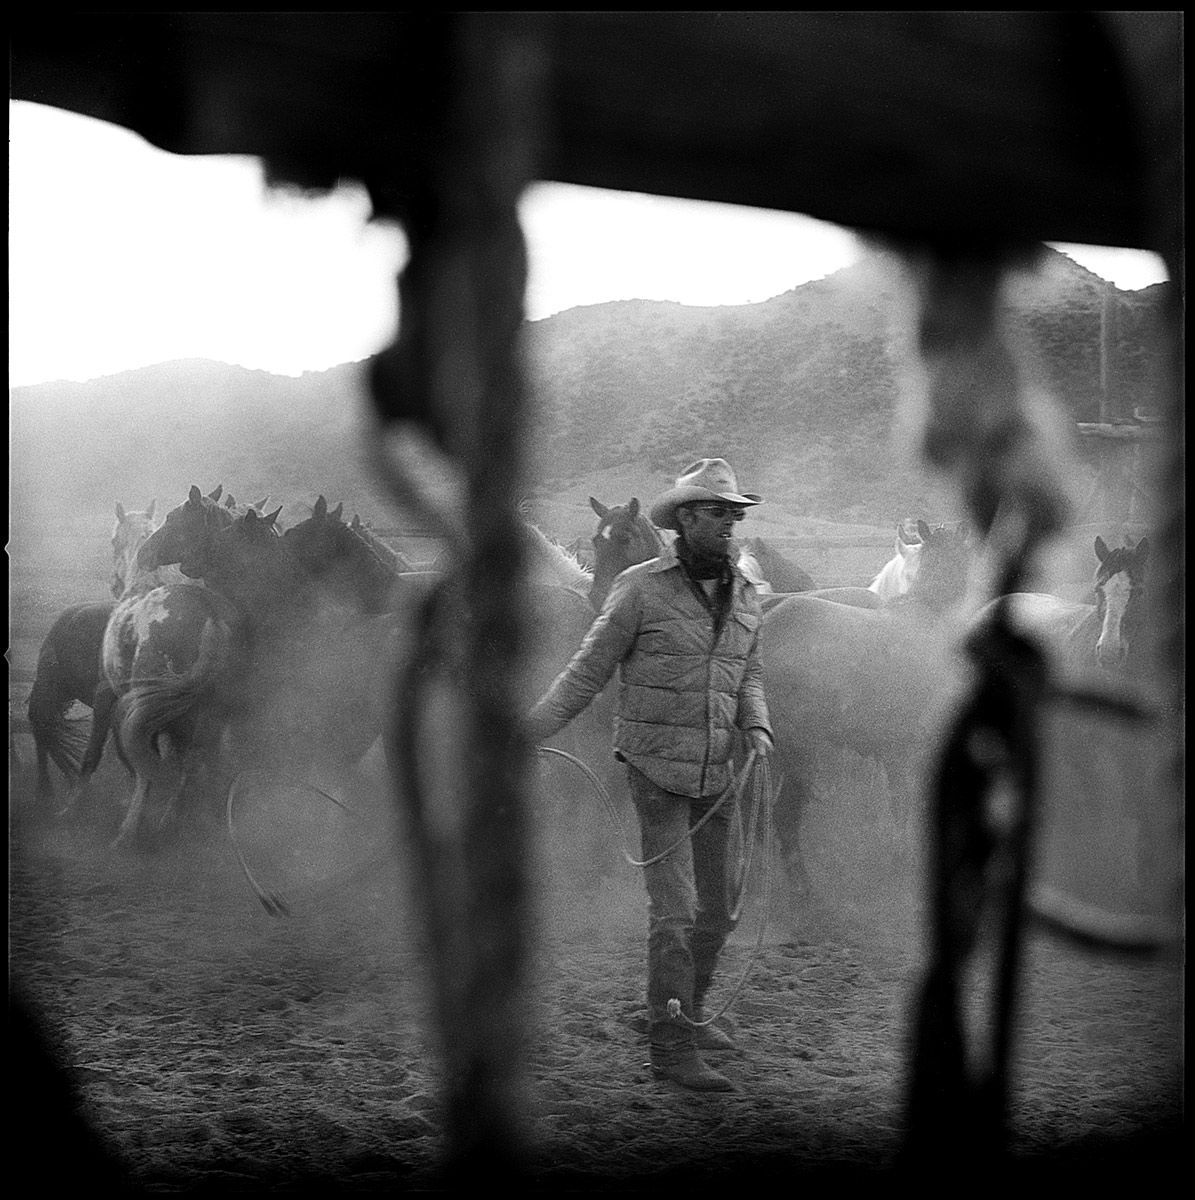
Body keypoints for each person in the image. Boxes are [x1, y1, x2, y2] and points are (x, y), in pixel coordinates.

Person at [528, 458, 774, 1092]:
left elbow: (747, 674)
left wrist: (759, 726)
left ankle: (685, 1014)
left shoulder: (745, 591)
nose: (730, 523)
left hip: (718, 771)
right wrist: (530, 730)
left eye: (735, 514)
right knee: (676, 912)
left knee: (718, 912)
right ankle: (670, 1050)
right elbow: (588, 670)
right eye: (718, 512)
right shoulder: (639, 588)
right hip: (655, 768)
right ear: (684, 519)